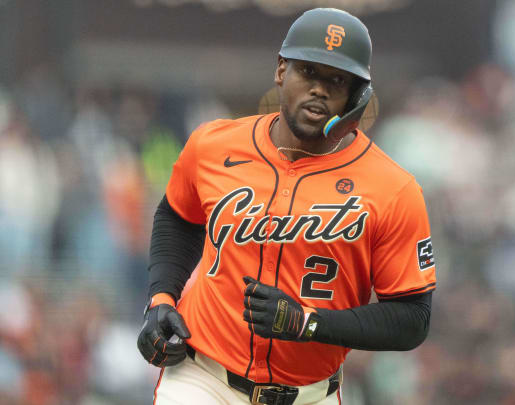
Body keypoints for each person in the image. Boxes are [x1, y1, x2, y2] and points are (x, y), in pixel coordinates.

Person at [137, 8, 436, 405]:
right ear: (281, 70)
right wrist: (161, 299)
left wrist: (308, 323)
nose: (319, 89)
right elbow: (178, 216)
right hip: (202, 379)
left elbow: (412, 318)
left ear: (358, 95)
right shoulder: (213, 145)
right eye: (308, 72)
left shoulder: (393, 189)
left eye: (337, 80)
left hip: (309, 394)